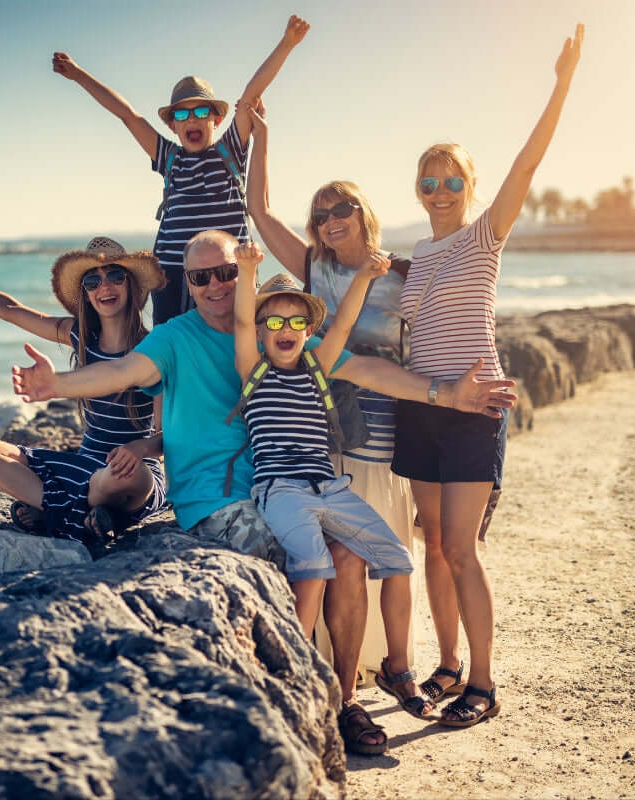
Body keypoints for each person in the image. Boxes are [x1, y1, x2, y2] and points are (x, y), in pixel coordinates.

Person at [11, 228, 517, 754]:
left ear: (242, 271)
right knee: (301, 558)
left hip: (286, 487)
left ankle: (341, 699)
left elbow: (363, 368)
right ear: (189, 283)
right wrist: (58, 385)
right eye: (201, 276)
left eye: (227, 272)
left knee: (347, 554)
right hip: (217, 499)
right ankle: (300, 693)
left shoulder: (278, 332)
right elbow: (122, 371)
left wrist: (445, 393)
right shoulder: (174, 337)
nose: (215, 285)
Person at [394, 24, 585, 728]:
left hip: (475, 408)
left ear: (469, 187)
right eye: (428, 181)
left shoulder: (484, 235)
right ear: (417, 189)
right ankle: (445, 663)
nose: (439, 190)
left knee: (465, 549)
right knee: (431, 541)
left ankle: (484, 681)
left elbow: (529, 165)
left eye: (452, 181)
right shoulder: (415, 249)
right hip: (423, 407)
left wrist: (560, 85)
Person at [244, 103, 434, 719]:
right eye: (319, 214)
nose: (329, 221)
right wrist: (262, 136)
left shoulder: (403, 276)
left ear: (365, 213)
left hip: (386, 429)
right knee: (345, 558)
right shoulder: (312, 270)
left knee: (394, 555)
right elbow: (258, 211)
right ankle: (340, 679)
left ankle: (400, 666)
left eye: (341, 209)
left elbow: (437, 340)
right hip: (326, 433)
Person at [51, 15, 310, 324]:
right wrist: (79, 75)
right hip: (172, 275)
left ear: (215, 120)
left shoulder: (229, 152)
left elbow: (249, 98)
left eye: (201, 111)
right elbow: (128, 116)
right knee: (172, 352)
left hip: (228, 272)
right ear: (173, 125)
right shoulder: (169, 157)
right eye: (182, 115)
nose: (192, 120)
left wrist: (287, 43)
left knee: (232, 349)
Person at [231, 241, 413, 657]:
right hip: (279, 489)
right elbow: (240, 322)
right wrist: (246, 272)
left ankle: (398, 667)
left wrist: (365, 276)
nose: (286, 330)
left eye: (296, 322)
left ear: (309, 332)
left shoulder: (318, 370)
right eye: (273, 323)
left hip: (330, 488)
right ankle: (299, 665)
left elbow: (344, 325)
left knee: (397, 559)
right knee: (313, 567)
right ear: (261, 332)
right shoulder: (252, 373)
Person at [0, 237, 168, 546]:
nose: (104, 287)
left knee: (129, 478)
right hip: (84, 465)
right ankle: (87, 516)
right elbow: (10, 309)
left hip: (130, 472)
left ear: (132, 285)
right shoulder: (81, 337)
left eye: (116, 276)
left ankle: (55, 511)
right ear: (85, 293)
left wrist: (139, 450)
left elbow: (164, 437)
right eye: (92, 281)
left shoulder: (153, 350)